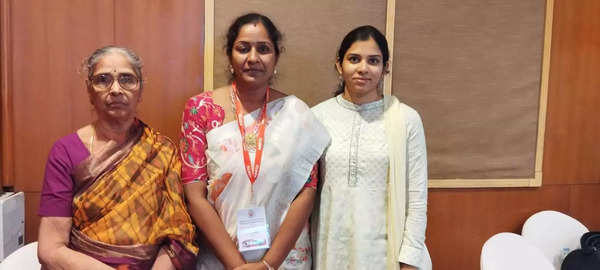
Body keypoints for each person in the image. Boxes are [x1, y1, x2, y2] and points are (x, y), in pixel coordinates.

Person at [179, 13, 329, 270]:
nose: (253, 58)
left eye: (263, 49)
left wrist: (268, 264)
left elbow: (307, 192)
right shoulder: (200, 109)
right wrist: (237, 265)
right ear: (229, 55)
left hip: (284, 260)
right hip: (221, 259)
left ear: (276, 57)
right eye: (243, 48)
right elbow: (195, 196)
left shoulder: (296, 113)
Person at [37, 46, 198, 270]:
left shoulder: (161, 150)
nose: (115, 89)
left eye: (127, 79)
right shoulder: (65, 151)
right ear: (89, 90)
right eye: (103, 80)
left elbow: (179, 237)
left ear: (140, 90)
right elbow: (51, 248)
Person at [311, 25, 432, 270]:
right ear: (339, 65)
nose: (363, 68)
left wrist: (409, 259)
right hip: (330, 249)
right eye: (354, 59)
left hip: (386, 253)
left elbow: (417, 199)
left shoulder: (406, 120)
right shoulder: (317, 117)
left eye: (373, 61)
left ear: (385, 67)